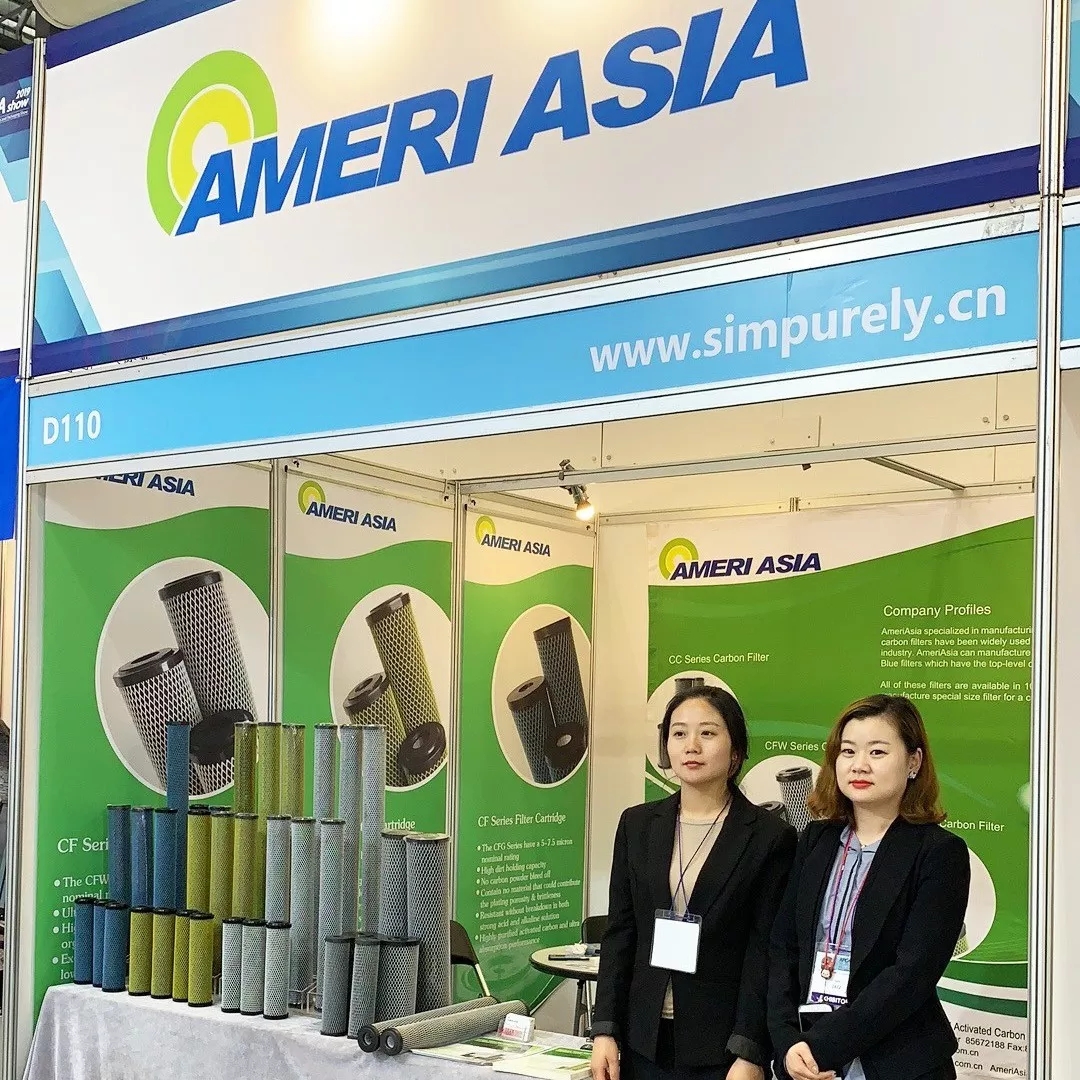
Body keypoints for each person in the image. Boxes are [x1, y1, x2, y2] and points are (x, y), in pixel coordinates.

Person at [590, 685, 797, 1080]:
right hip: (641, 1037)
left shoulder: (769, 837)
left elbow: (766, 951)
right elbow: (621, 932)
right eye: (679, 733)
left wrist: (750, 1051)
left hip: (721, 1046)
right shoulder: (637, 824)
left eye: (708, 733)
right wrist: (605, 1030)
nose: (691, 746)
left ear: (735, 750)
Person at [767, 695, 971, 1080]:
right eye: (848, 751)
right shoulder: (816, 840)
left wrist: (821, 1047)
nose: (859, 764)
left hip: (896, 1061)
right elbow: (784, 946)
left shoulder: (939, 853)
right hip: (805, 1056)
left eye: (877, 752)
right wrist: (787, 1042)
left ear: (914, 762)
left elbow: (911, 975)